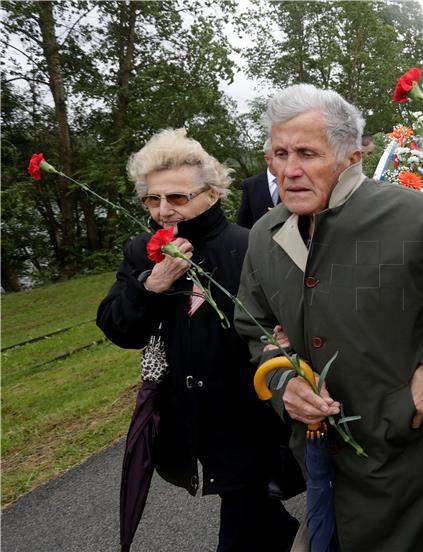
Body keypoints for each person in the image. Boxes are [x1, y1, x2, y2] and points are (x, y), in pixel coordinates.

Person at [233, 84, 423, 551]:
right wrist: (283, 386)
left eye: (308, 153)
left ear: (349, 155)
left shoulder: (411, 217)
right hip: (315, 457)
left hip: (404, 450)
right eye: (279, 153)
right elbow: (252, 326)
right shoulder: (264, 236)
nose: (290, 171)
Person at [97, 129, 300, 552]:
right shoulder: (142, 251)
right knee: (260, 513)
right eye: (152, 199)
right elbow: (118, 328)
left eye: (177, 198)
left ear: (212, 193)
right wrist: (148, 286)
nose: (163, 210)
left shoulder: (248, 245)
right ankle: (312, 538)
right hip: (188, 420)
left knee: (241, 525)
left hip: (249, 417)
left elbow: (290, 318)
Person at [238, 138, 279, 229]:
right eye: (280, 155)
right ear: (267, 159)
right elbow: (243, 223)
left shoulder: (296, 182)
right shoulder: (250, 185)